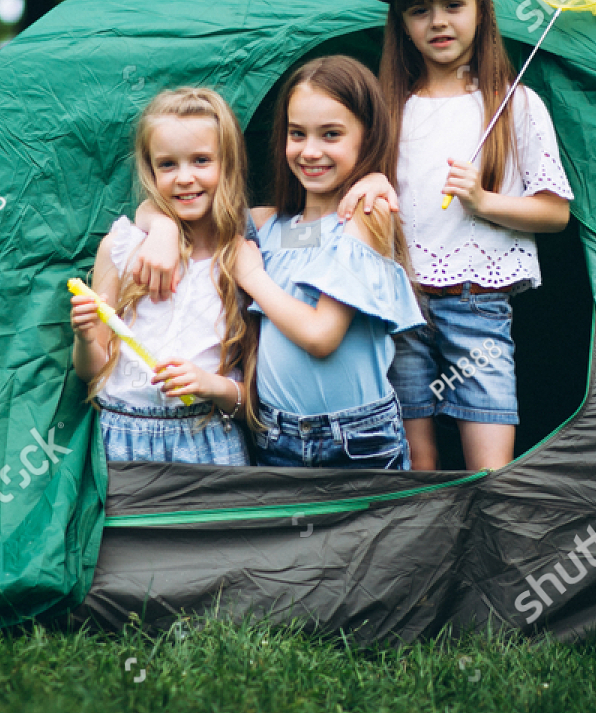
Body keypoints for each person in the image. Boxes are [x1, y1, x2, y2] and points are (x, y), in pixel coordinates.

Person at [339, 0, 573, 472]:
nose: (438, 21)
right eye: (419, 10)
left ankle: (490, 550)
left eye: (453, 4)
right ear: (401, 23)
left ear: (481, 9)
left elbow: (556, 213)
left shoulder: (515, 105)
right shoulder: (386, 108)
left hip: (478, 302)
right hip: (398, 303)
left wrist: (484, 202)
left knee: (489, 467)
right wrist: (368, 183)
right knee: (415, 462)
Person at [134, 56, 424, 469]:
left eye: (331, 135)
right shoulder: (269, 224)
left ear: (368, 135)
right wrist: (161, 227)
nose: (310, 151)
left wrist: (253, 276)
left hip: (354, 441)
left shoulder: (365, 216)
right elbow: (173, 206)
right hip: (275, 436)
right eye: (296, 134)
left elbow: (321, 336)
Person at [69, 87, 256, 465]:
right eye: (168, 165)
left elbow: (255, 402)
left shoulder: (245, 258)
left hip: (208, 438)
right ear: (150, 169)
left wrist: (212, 386)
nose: (184, 178)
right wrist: (86, 337)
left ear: (229, 164)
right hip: (122, 439)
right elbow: (92, 370)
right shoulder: (122, 248)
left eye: (201, 160)